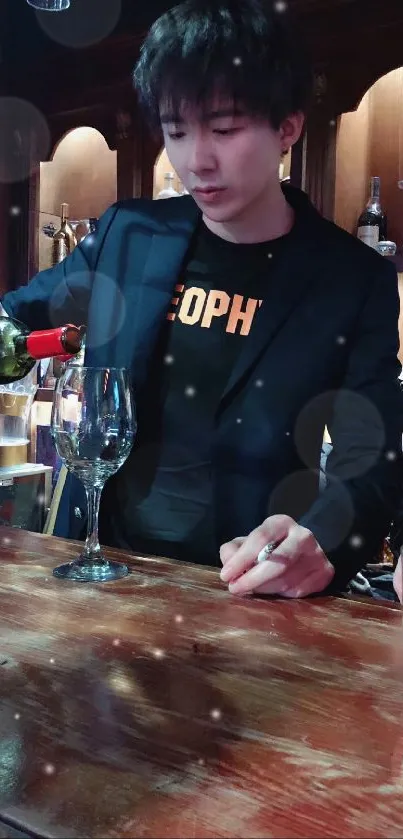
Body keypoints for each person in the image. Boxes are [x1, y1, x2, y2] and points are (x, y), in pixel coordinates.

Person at [2, 0, 403, 599]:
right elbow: (19, 318)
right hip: (104, 572)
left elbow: (372, 454)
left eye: (223, 129)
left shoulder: (351, 279)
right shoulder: (128, 236)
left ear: (288, 127)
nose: (196, 160)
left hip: (246, 585)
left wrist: (324, 537)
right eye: (177, 130)